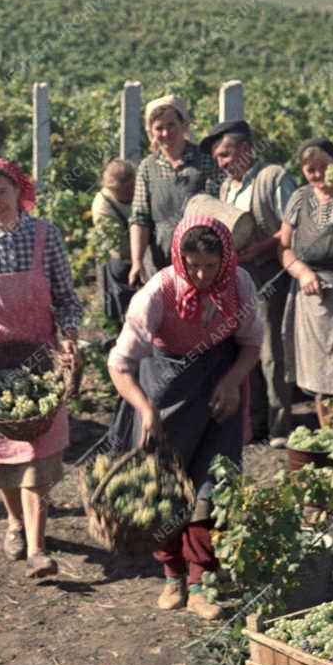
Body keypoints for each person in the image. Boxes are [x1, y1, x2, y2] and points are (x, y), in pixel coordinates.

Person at [108, 214, 262, 619]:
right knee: (166, 489)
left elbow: (250, 345)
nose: (201, 274)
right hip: (166, 389)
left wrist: (231, 383)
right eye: (192, 265)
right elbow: (119, 364)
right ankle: (172, 575)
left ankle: (200, 584)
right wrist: (145, 409)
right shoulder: (157, 293)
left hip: (217, 392)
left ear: (225, 260)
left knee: (211, 487)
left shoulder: (239, 284)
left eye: (211, 266)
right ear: (178, 256)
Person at [0, 158, 82, 579]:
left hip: (39, 360)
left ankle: (38, 548)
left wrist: (68, 336)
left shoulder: (46, 236)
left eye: (1, 193)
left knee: (38, 456)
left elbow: (65, 296)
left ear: (18, 190)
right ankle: (13, 521)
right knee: (1, 450)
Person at [203, 118, 297, 446]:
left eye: (226, 155)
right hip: (240, 277)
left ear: (245, 150)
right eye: (218, 158)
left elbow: (291, 226)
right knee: (246, 348)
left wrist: (260, 248)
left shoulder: (273, 178)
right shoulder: (227, 188)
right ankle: (254, 419)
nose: (222, 163)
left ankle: (281, 424)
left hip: (270, 273)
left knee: (273, 350)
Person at [279, 137, 333, 423]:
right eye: (309, 169)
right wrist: (302, 272)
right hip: (310, 297)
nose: (316, 174)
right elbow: (285, 247)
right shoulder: (300, 198)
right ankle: (329, 435)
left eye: (322, 167)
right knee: (318, 375)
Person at [129, 96, 222, 282]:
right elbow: (140, 218)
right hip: (159, 263)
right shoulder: (147, 167)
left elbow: (218, 210)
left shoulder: (204, 160)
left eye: (171, 125)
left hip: (199, 262)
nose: (166, 133)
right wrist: (137, 262)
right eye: (159, 128)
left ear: (184, 125)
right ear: (151, 132)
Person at [91, 158, 136, 325]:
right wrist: (141, 263)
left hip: (141, 250)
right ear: (115, 188)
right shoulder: (103, 205)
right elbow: (120, 248)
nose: (132, 191)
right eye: (127, 188)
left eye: (133, 185)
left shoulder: (139, 190)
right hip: (122, 259)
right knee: (122, 306)